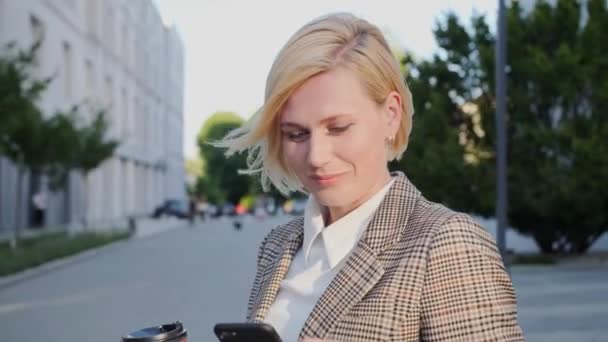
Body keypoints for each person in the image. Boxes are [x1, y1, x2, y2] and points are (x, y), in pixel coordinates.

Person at [215, 13, 524, 341]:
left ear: (391, 114)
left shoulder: (447, 244)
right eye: (295, 134)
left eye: (338, 128)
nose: (316, 157)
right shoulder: (277, 246)